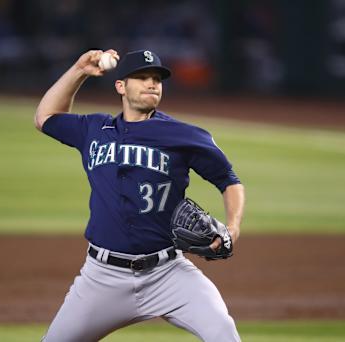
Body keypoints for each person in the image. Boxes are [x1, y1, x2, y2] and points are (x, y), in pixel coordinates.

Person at [35, 49, 245, 342]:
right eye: (142, 77)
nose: (152, 84)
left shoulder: (184, 135)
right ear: (120, 86)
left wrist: (233, 227)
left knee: (224, 332)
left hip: (168, 274)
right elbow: (45, 116)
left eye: (157, 78)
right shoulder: (95, 130)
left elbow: (229, 180)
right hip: (102, 278)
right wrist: (79, 70)